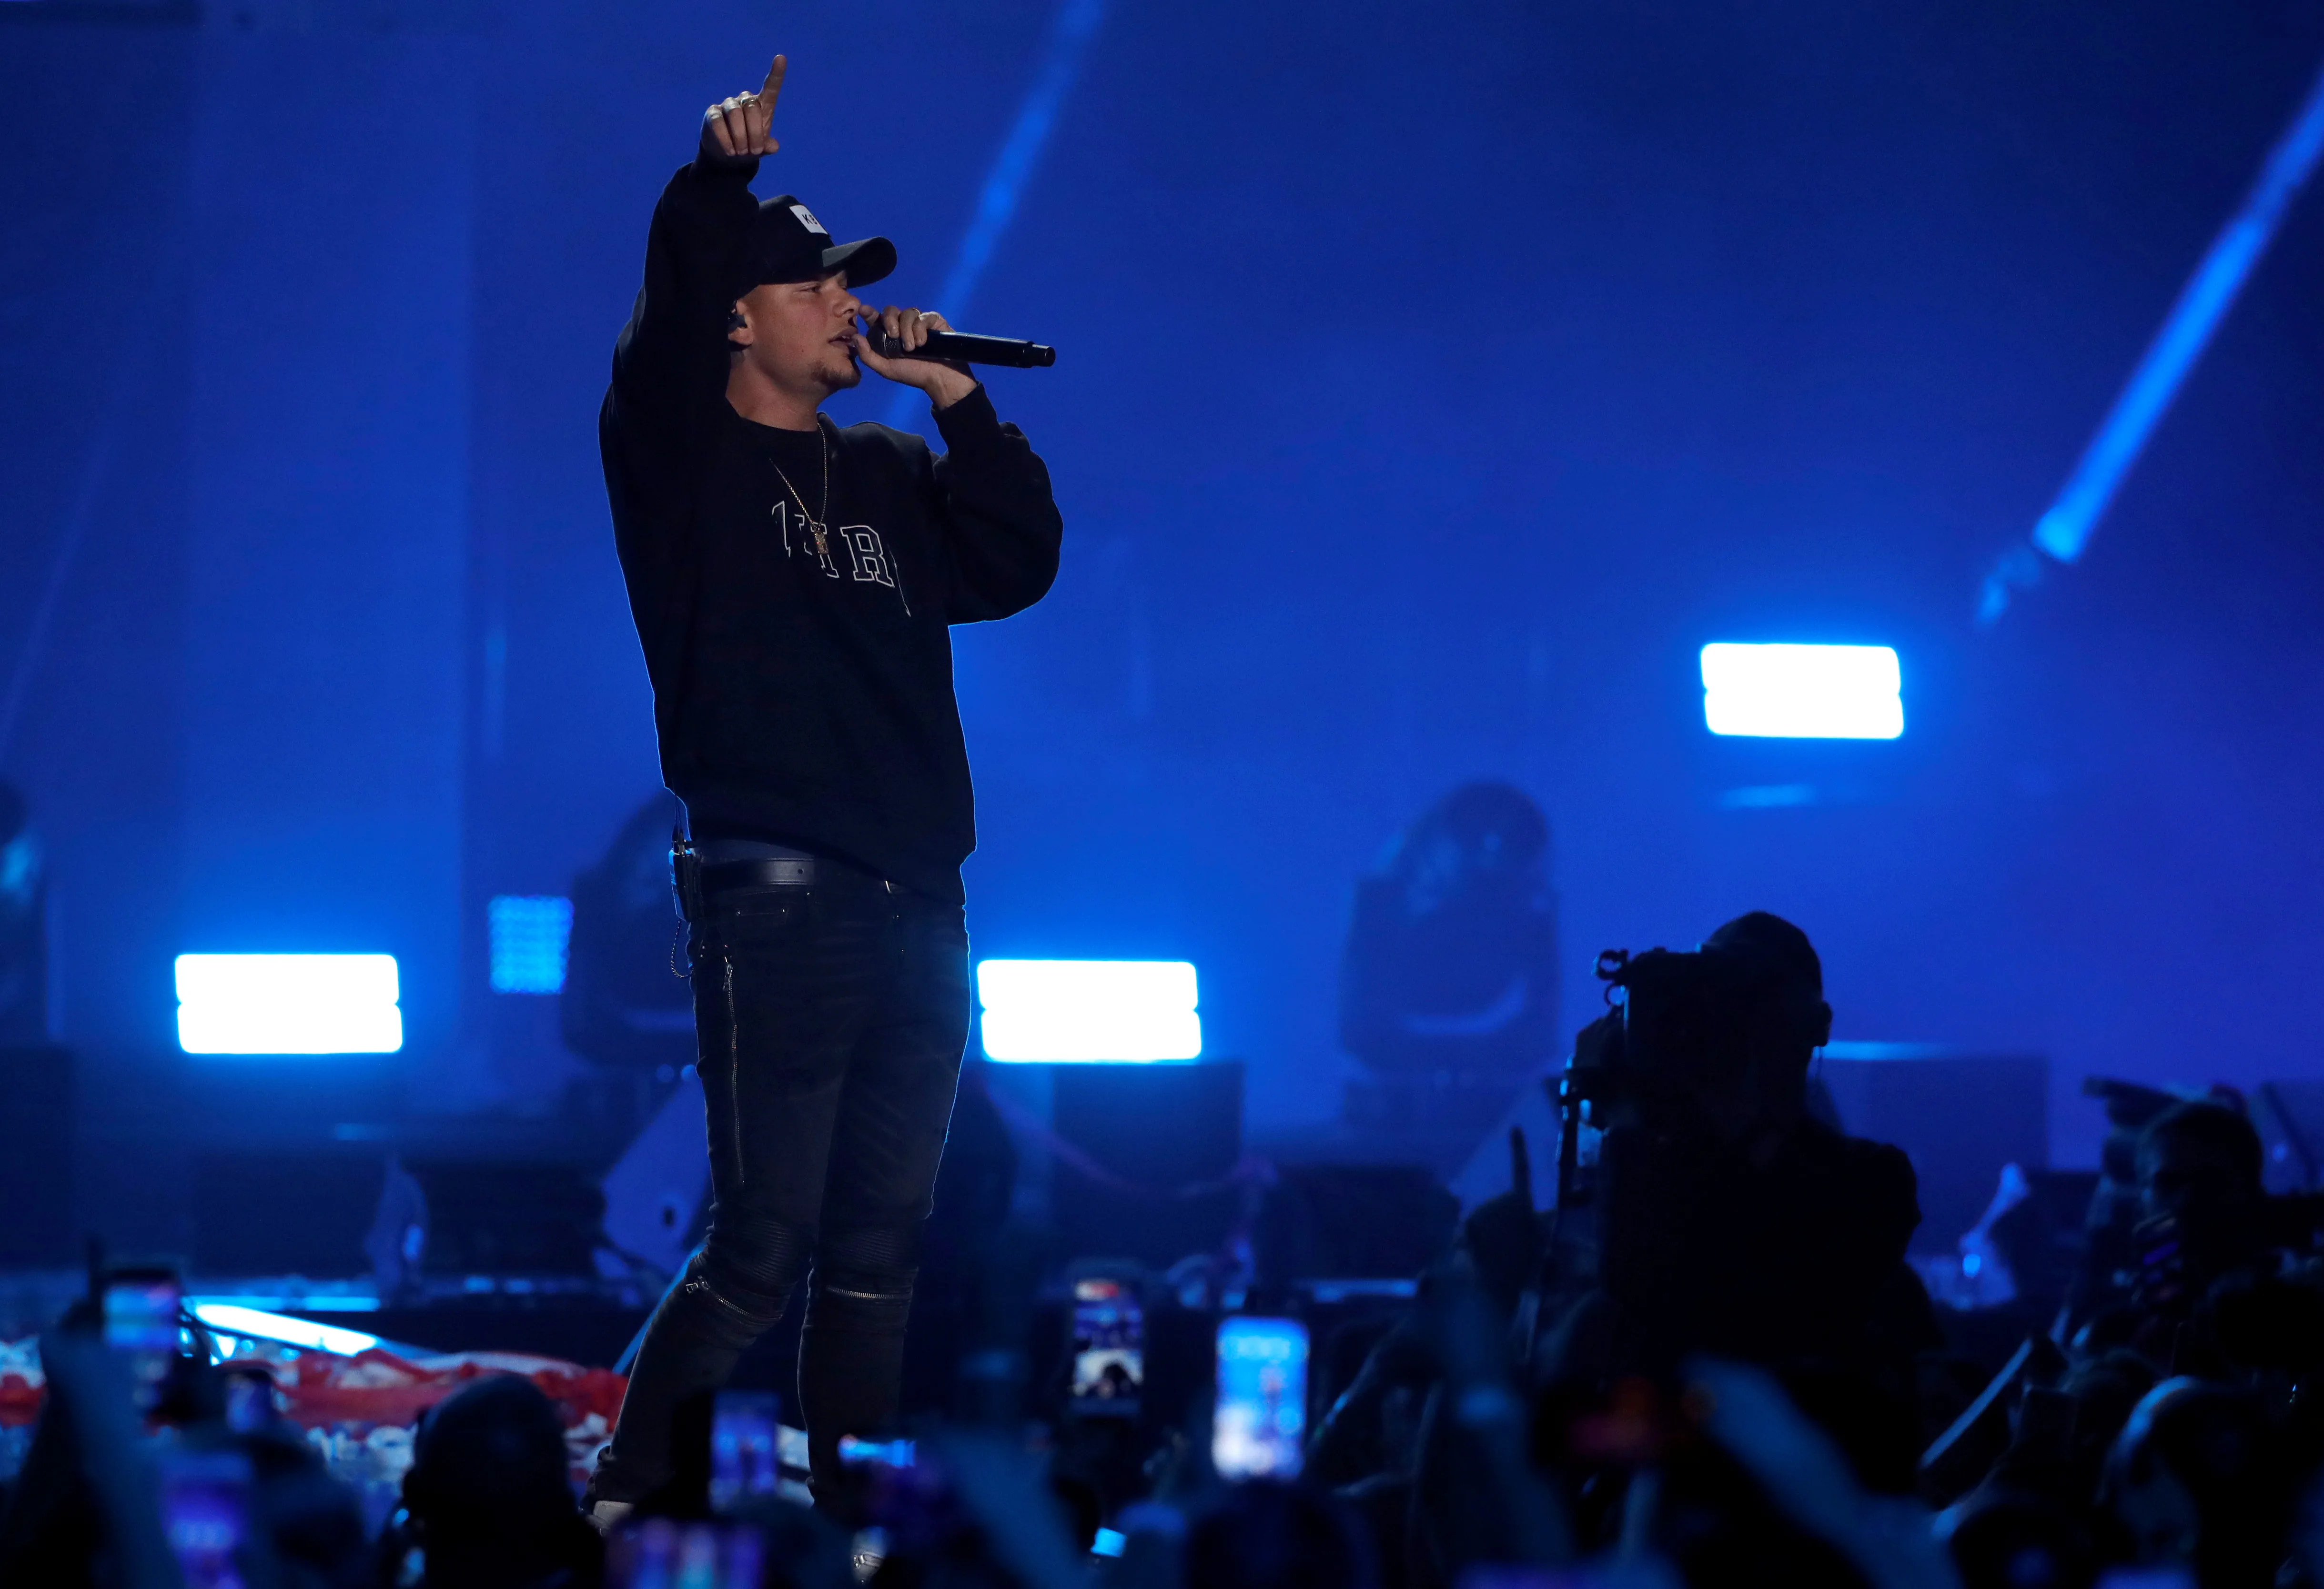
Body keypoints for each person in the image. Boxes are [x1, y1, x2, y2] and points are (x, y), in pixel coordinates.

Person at [588, 49, 1064, 1518]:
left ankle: (840, 1520)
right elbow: (660, 333)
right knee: (762, 1245)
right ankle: (629, 1492)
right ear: (739, 315)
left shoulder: (880, 472)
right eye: (814, 285)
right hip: (779, 895)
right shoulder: (679, 458)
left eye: (850, 284)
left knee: (880, 1251)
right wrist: (713, 183)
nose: (846, 304)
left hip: (922, 894)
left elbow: (1013, 566)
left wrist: (959, 406)